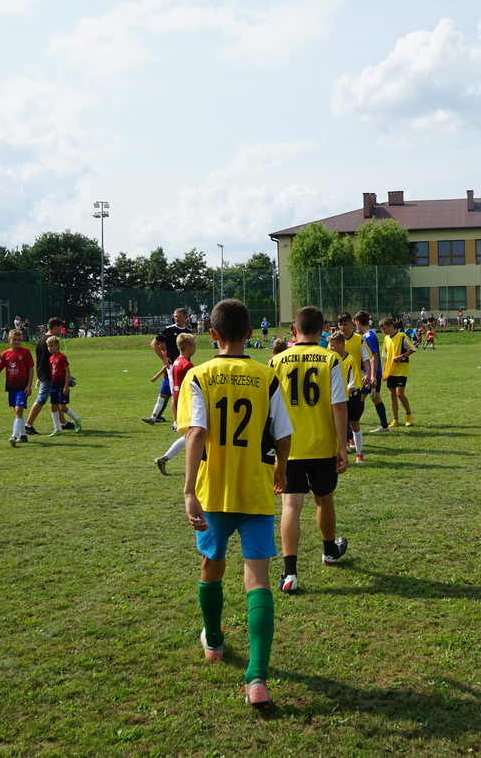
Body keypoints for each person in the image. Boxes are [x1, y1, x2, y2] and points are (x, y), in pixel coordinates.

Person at [178, 299, 293, 711]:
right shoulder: (267, 375)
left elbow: (194, 434)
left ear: (212, 335)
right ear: (250, 334)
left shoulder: (199, 375)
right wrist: (279, 468)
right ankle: (257, 677)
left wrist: (189, 489)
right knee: (258, 578)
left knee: (212, 565)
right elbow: (283, 436)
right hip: (256, 491)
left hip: (213, 492)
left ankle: (214, 640)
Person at [272, 307, 350, 596]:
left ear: (294, 330)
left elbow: (271, 409)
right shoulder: (330, 359)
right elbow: (338, 404)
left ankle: (289, 573)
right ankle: (329, 551)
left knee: (291, 506)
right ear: (323, 331)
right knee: (324, 499)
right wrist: (343, 445)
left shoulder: (276, 360)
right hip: (320, 445)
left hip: (287, 446)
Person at [154, 332, 196, 475]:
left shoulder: (176, 362)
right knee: (195, 435)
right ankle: (165, 458)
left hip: (178, 402)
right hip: (188, 404)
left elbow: (175, 390)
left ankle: (164, 459)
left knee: (191, 436)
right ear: (188, 347)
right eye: (194, 345)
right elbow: (193, 388)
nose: (195, 348)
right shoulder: (188, 365)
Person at [144, 308, 191, 425]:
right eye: (175, 316)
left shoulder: (188, 332)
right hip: (172, 368)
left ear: (185, 318)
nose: (176, 318)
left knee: (183, 394)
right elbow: (153, 344)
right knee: (175, 394)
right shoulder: (169, 330)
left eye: (179, 316)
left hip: (185, 367)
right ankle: (176, 422)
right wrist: (164, 358)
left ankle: (178, 419)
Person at [25, 318, 70, 435]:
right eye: (60, 328)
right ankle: (28, 425)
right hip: (48, 375)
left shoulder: (41, 339)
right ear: (54, 327)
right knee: (41, 399)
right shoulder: (49, 341)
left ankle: (63, 423)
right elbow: (51, 361)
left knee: (55, 400)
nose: (61, 330)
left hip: (43, 374)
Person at [335, 313, 368, 462]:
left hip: (353, 389)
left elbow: (367, 358)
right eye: (340, 325)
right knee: (338, 423)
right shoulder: (332, 356)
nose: (343, 327)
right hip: (338, 392)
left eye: (345, 324)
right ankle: (342, 447)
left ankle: (359, 452)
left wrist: (370, 374)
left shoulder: (358, 341)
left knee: (353, 422)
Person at [353, 311, 391, 434]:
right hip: (370, 373)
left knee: (361, 398)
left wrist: (372, 375)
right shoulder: (367, 335)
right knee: (375, 398)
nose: (355, 325)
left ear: (358, 322)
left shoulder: (369, 337)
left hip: (370, 374)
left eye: (355, 323)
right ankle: (384, 426)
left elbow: (373, 356)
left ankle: (353, 426)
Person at [379, 316, 416, 427]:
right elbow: (386, 357)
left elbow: (412, 349)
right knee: (392, 394)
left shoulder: (401, 336)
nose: (383, 331)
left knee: (400, 393)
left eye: (384, 329)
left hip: (401, 369)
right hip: (391, 370)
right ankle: (395, 419)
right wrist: (384, 371)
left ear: (391, 326)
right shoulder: (386, 339)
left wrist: (401, 356)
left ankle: (409, 415)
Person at [43, 335, 79, 436]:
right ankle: (57, 428)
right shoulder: (51, 359)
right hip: (53, 385)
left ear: (57, 346)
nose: (50, 348)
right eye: (48, 346)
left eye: (52, 346)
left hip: (62, 385)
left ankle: (76, 420)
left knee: (62, 408)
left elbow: (67, 371)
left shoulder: (62, 357)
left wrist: (66, 385)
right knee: (53, 406)